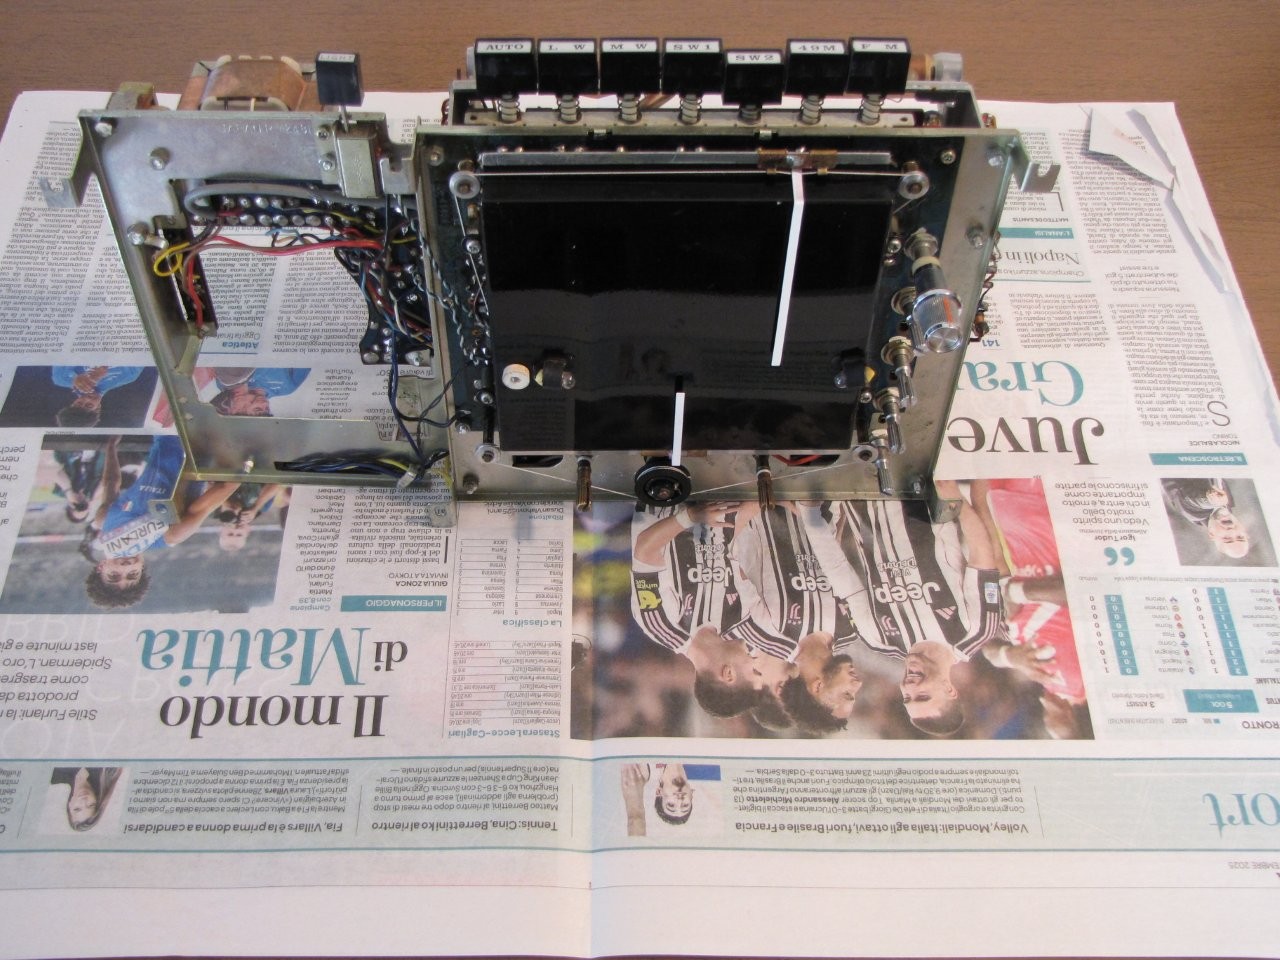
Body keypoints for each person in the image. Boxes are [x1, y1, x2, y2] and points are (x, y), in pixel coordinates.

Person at [809, 482, 1008, 736]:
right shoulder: (976, 630)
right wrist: (954, 499)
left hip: (858, 491)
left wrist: (820, 512)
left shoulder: (878, 639)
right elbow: (982, 554)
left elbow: (838, 570)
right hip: (919, 489)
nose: (909, 687)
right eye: (922, 696)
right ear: (950, 690)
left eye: (907, 698)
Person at [630, 503, 771, 718]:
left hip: (669, 496)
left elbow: (645, 549)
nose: (756, 660)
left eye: (754, 671)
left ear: (728, 674)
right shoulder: (739, 616)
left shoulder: (660, 624)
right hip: (725, 493)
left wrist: (690, 517)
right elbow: (737, 539)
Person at [84, 435, 240, 608]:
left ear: (101, 567)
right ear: (141, 568)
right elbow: (225, 488)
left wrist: (111, 446)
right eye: (132, 574)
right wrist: (245, 462)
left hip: (165, 435)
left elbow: (110, 483)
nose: (126, 567)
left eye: (114, 575)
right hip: (201, 442)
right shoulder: (171, 535)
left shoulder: (103, 520)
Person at [1161, 478, 1251, 560]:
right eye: (1240, 537)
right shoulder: (1228, 504)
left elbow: (1192, 501)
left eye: (1226, 538)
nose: (1232, 531)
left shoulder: (1191, 513)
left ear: (1212, 534)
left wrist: (1210, 500)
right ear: (1244, 530)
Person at [51, 366, 143, 427]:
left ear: (73, 403)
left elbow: (63, 349)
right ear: (98, 408)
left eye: (79, 403)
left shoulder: (61, 378)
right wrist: (107, 365)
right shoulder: (128, 376)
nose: (86, 398)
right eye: (89, 405)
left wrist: (73, 377)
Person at [619, 762, 696, 835]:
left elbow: (635, 818)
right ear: (691, 793)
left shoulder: (641, 772)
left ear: (659, 791)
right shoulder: (696, 765)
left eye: (671, 805)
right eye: (685, 805)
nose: (679, 800)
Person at [209, 367, 308, 417]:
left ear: (237, 409)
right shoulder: (287, 387)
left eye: (257, 409)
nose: (265, 403)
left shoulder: (228, 388)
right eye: (267, 409)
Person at [49, 766, 122, 831]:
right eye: (91, 805)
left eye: (77, 808)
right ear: (96, 800)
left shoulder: (55, 775)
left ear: (69, 805)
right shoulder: (106, 771)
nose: (84, 800)